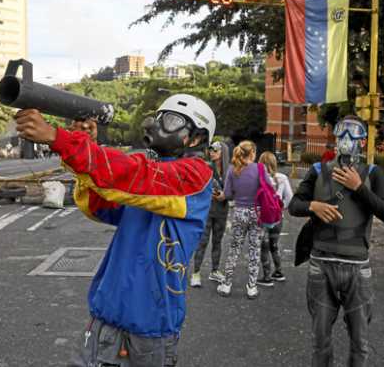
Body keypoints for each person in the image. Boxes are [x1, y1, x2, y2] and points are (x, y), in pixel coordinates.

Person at [14, 93, 216, 366]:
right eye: (157, 118)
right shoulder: (149, 179)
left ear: (196, 140)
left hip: (149, 331)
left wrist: (57, 138)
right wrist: (86, 144)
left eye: (170, 120)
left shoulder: (195, 176)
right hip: (104, 321)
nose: (158, 126)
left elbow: (132, 175)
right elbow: (101, 204)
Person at [288, 115, 384, 367]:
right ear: (335, 137)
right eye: (342, 133)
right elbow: (294, 205)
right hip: (321, 264)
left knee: (360, 341)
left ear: (362, 139)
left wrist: (359, 187)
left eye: (352, 133)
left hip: (357, 266)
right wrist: (313, 205)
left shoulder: (372, 173)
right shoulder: (318, 170)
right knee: (320, 339)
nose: (346, 139)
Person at [216, 140, 273, 299]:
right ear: (253, 153)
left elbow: (227, 194)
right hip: (257, 213)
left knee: (234, 248)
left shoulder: (232, 170)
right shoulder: (260, 168)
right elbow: (269, 188)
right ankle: (252, 287)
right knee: (255, 249)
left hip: (239, 212)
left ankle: (227, 284)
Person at [190, 140, 230, 288]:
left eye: (215, 150)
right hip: (206, 210)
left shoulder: (230, 171)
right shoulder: (207, 168)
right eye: (211, 149)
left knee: (217, 242)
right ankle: (196, 273)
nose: (211, 152)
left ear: (223, 153)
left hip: (222, 211)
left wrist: (225, 195)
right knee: (203, 241)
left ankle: (214, 271)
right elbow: (197, 186)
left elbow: (234, 192)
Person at [257, 151, 293, 286]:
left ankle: (266, 277)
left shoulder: (259, 178)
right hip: (278, 218)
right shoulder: (282, 178)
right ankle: (279, 272)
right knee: (274, 245)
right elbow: (289, 198)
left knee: (264, 247)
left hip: (263, 218)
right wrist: (281, 208)